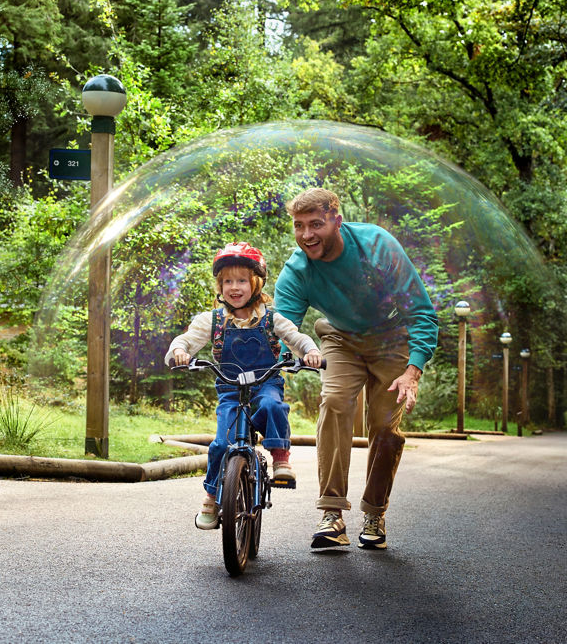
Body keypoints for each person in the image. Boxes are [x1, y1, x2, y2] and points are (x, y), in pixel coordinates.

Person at [272, 188, 439, 551]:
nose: (307, 235)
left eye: (316, 224)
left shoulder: (377, 247)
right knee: (334, 401)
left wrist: (413, 371)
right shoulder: (298, 269)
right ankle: (332, 514)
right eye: (299, 226)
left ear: (337, 220)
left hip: (392, 339)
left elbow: (422, 313)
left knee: (383, 424)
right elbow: (283, 328)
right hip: (341, 338)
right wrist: (274, 363)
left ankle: (374, 512)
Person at [166, 242, 323, 530]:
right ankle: (211, 496)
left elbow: (297, 338)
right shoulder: (211, 321)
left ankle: (281, 459)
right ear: (220, 285)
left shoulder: (271, 318)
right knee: (220, 444)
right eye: (227, 281)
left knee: (273, 405)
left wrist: (309, 352)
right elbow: (185, 340)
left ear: (256, 283)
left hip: (265, 384)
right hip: (230, 390)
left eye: (241, 280)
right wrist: (179, 352)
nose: (234, 287)